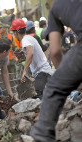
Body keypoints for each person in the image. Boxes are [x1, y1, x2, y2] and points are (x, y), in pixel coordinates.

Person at [30, 0, 82, 141]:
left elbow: (54, 52)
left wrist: (66, 78)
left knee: (53, 89)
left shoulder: (57, 7)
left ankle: (42, 136)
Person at [11, 19, 51, 99]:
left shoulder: (25, 40)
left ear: (16, 32)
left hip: (42, 72)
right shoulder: (29, 38)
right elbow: (30, 52)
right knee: (41, 95)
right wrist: (23, 53)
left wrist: (24, 71)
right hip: (43, 71)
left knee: (37, 95)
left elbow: (31, 53)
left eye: (13, 33)